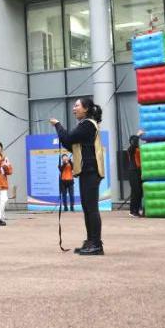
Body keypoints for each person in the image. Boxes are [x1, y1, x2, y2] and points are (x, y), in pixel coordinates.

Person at [51, 97, 106, 256]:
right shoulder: (85, 125)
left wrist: (57, 125)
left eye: (77, 106)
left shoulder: (87, 124)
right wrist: (61, 131)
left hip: (91, 171)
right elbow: (69, 143)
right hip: (86, 171)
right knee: (87, 208)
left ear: (86, 109)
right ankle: (90, 241)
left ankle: (96, 244)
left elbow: (67, 138)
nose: (74, 109)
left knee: (91, 208)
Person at [127, 130, 145, 217]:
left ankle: (137, 210)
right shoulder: (131, 149)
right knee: (135, 191)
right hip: (133, 171)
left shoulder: (139, 149)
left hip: (139, 172)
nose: (136, 142)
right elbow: (134, 143)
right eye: (134, 141)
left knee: (140, 192)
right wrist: (137, 135)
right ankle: (132, 211)